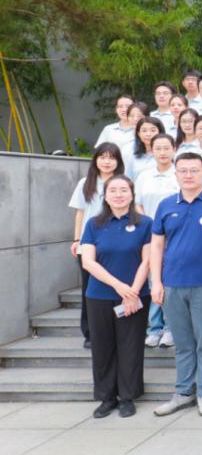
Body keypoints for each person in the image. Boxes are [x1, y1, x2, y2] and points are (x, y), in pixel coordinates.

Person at [150, 153, 202, 417]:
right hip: (173, 284)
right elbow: (157, 245)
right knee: (183, 342)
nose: (188, 175)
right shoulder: (166, 205)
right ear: (176, 174)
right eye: (183, 170)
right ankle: (183, 392)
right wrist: (156, 282)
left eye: (194, 170)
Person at [79, 175, 152, 418]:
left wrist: (132, 292)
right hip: (99, 295)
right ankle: (106, 397)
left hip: (136, 295)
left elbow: (147, 261)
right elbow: (88, 262)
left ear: (132, 195)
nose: (119, 195)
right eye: (113, 190)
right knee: (102, 346)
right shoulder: (94, 224)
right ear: (105, 196)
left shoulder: (145, 223)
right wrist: (120, 287)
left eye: (124, 190)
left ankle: (128, 397)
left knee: (131, 346)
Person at [70, 143, 126, 349]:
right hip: (89, 244)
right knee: (90, 289)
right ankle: (90, 333)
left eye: (111, 157)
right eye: (102, 157)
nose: (106, 161)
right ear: (95, 160)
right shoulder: (85, 183)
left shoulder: (124, 182)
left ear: (118, 161)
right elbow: (80, 213)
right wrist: (77, 239)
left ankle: (118, 330)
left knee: (117, 287)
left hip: (117, 244)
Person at [136, 134, 179, 349]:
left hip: (175, 234)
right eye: (158, 148)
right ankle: (154, 328)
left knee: (169, 281)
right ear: (151, 151)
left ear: (174, 149)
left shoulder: (178, 174)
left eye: (166, 148)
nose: (162, 152)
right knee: (153, 280)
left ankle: (170, 328)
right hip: (150, 234)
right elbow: (138, 203)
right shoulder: (144, 176)